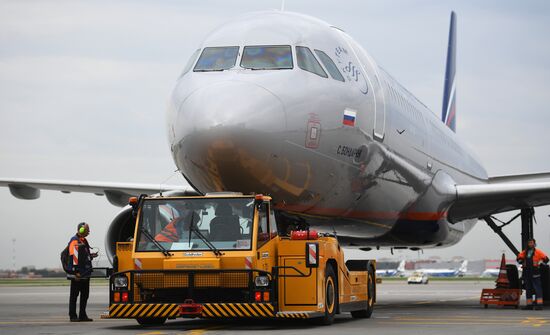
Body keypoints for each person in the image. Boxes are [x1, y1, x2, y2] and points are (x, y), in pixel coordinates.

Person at [67, 222, 97, 322]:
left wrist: (91, 256)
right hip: (78, 274)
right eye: (87, 230)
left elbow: (83, 256)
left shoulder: (84, 241)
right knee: (74, 296)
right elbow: (73, 257)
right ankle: (73, 316)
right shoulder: (74, 241)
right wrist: (76, 272)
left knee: (85, 295)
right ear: (81, 230)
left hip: (85, 274)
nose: (89, 231)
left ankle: (82, 315)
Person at [517, 238, 549, 310]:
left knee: (537, 288)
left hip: (535, 272)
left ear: (534, 244)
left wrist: (541, 264)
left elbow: (546, 259)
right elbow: (519, 258)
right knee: (528, 289)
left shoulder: (538, 252)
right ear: (527, 244)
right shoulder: (524, 252)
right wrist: (520, 260)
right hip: (527, 272)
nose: (530, 244)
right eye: (529, 243)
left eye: (532, 243)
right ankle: (529, 305)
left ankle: (539, 304)